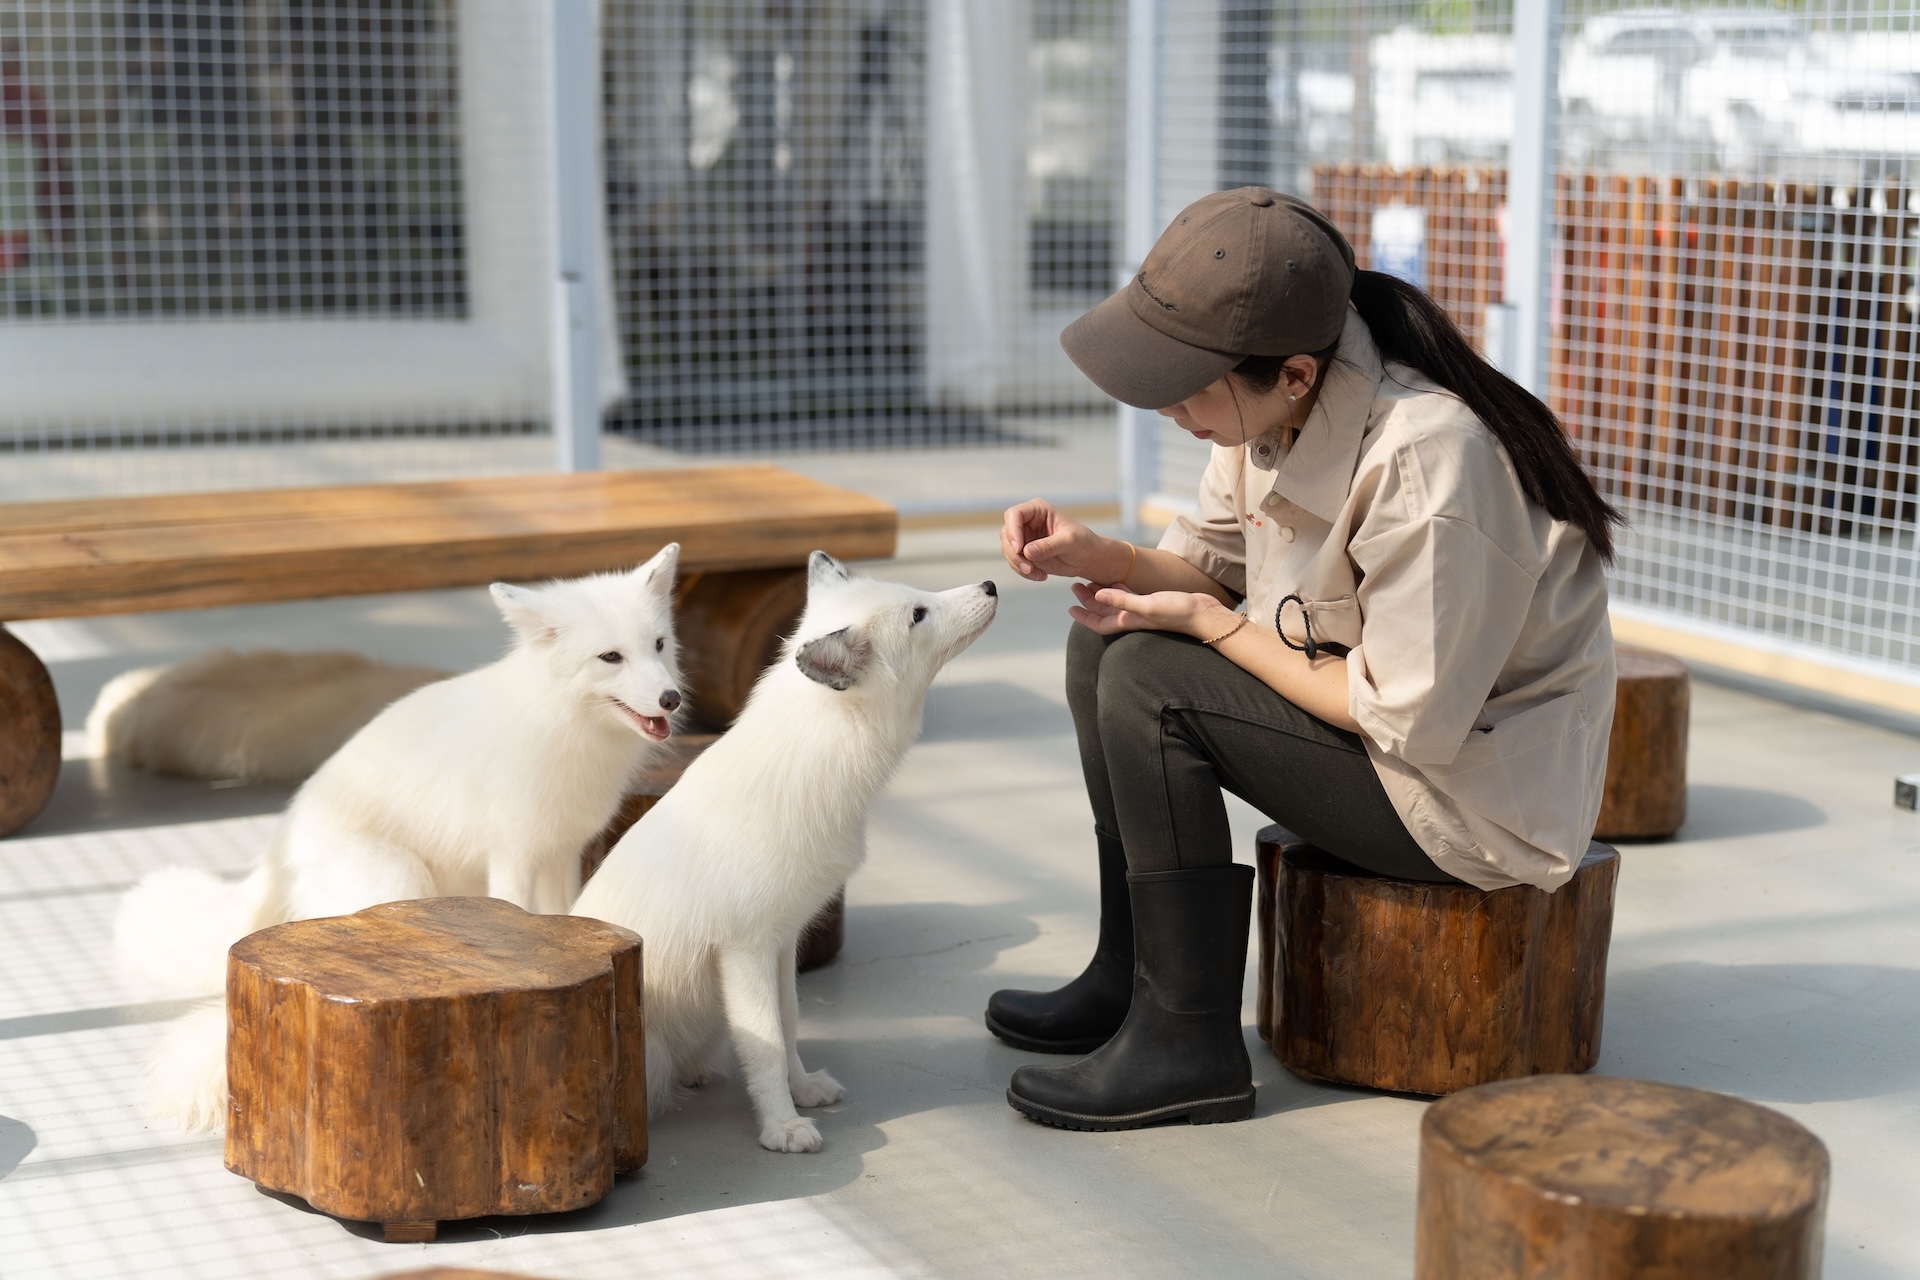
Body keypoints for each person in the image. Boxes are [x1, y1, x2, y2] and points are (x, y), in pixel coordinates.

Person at [988, 188, 1620, 1132]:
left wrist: (1213, 628)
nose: (1169, 408)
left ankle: (1188, 1043)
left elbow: (1408, 717)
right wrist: (1105, 559)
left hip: (1469, 799)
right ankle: (1134, 981)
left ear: (1289, 374)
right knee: (1108, 636)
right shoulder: (1282, 402)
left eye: (1188, 385)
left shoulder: (1428, 458)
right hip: (1383, 737)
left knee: (1152, 680)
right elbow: (1202, 569)